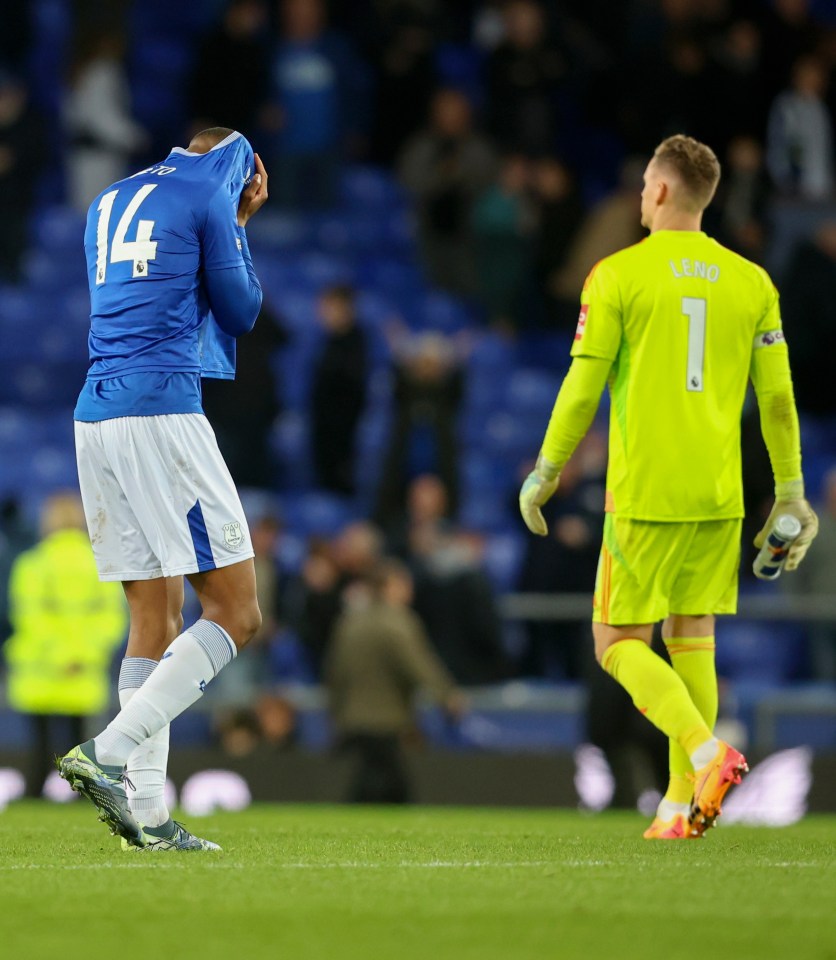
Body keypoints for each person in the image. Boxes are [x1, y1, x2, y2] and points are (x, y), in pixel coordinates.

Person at [518, 134, 818, 840]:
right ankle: (681, 807)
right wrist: (792, 492)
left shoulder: (616, 275)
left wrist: (547, 470)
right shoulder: (752, 282)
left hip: (646, 490)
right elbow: (778, 399)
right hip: (719, 496)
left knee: (615, 639)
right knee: (693, 638)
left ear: (655, 191)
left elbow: (582, 385)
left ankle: (708, 754)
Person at [57, 126, 269, 851]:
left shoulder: (107, 199)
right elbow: (242, 311)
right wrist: (239, 222)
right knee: (237, 613)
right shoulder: (211, 191)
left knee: (154, 616)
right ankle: (108, 755)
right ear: (232, 163)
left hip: (95, 416)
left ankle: (145, 818)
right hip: (161, 411)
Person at [4, 493, 127, 796]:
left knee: (40, 747)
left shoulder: (32, 564)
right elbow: (112, 618)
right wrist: (81, 654)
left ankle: (35, 793)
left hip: (39, 669)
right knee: (79, 743)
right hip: (83, 670)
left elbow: (28, 615)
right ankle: (81, 797)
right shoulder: (101, 566)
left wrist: (58, 654)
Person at [324, 558, 462, 803]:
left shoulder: (349, 622)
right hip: (387, 718)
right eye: (403, 585)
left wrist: (336, 712)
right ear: (388, 587)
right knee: (392, 784)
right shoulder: (398, 623)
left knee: (372, 775)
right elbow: (419, 666)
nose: (409, 591)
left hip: (353, 717)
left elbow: (335, 672)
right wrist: (446, 695)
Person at [310, 284, 368, 495]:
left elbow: (352, 385)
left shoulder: (357, 341)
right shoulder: (326, 341)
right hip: (324, 424)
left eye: (329, 307)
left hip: (344, 426)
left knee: (340, 482)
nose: (323, 313)